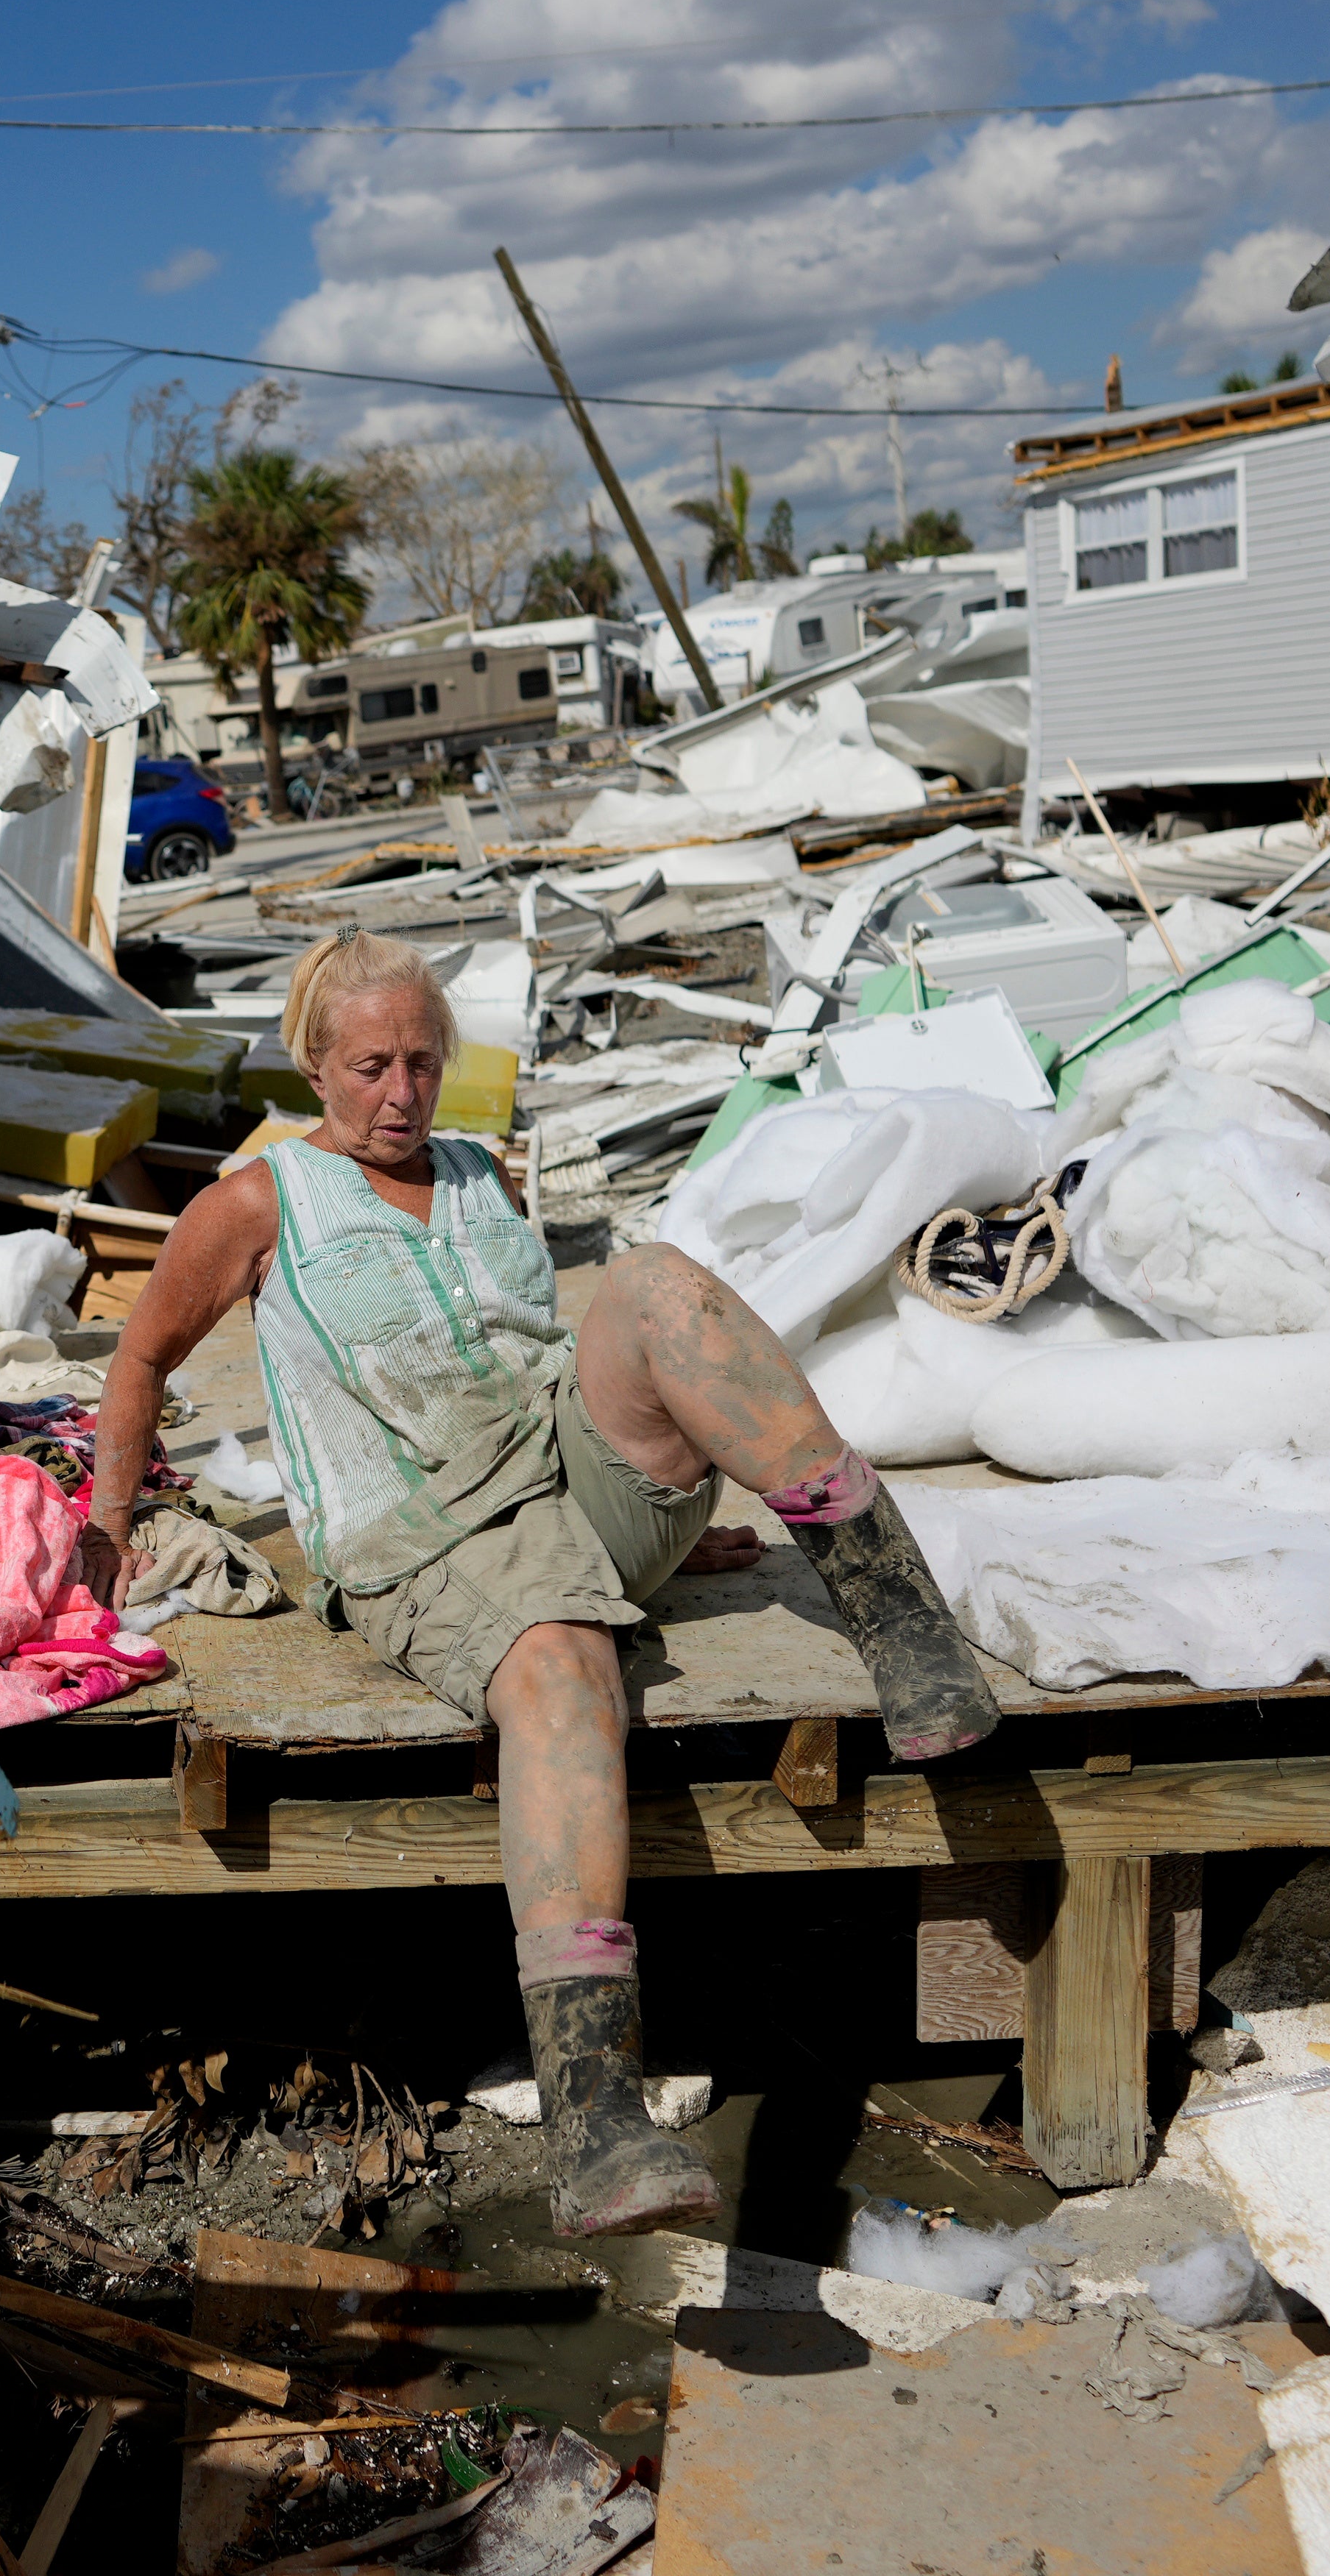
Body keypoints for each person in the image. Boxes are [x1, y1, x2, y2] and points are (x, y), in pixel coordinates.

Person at [81, 930, 998, 2236]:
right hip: (428, 1537)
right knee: (566, 1666)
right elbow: (140, 1361)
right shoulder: (259, 1201)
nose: (401, 1095)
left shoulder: (477, 1169)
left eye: (421, 1062)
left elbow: (535, 1357)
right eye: (369, 1068)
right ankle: (594, 2115)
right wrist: (107, 1527)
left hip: (567, 1484)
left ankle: (901, 1622)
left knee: (654, 1285)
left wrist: (685, 1501)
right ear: (312, 1066)